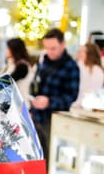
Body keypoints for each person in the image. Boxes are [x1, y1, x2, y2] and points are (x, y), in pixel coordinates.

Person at [31, 28, 79, 161]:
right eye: (47, 48)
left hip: (55, 121)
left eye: (53, 48)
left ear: (63, 44)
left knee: (51, 160)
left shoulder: (71, 66)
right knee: (35, 159)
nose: (50, 52)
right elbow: (35, 86)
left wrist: (49, 102)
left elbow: (71, 96)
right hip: (37, 118)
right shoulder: (43, 62)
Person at [4, 38, 36, 107]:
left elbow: (7, 82)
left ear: (14, 49)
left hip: (19, 106)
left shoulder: (22, 66)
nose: (6, 51)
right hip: (13, 105)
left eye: (8, 48)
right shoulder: (11, 64)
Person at [74, 42, 104, 107]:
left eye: (82, 51)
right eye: (79, 51)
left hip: (80, 104)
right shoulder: (98, 70)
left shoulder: (81, 67)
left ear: (90, 54)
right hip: (88, 105)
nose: (79, 53)